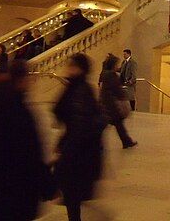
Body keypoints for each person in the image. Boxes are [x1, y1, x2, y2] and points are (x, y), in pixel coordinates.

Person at [0, 59, 54, 220]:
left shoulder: (2, 100)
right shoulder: (18, 109)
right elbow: (30, 152)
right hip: (17, 189)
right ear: (22, 79)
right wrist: (48, 185)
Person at [53, 53, 107, 221]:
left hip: (78, 153)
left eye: (72, 66)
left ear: (80, 69)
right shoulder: (75, 87)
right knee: (72, 195)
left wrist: (66, 152)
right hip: (77, 150)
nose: (68, 69)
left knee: (72, 193)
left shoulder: (80, 91)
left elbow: (79, 125)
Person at [99, 54, 137, 149]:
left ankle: (126, 141)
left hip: (107, 103)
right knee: (113, 124)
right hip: (111, 104)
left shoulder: (105, 74)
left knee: (117, 124)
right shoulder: (111, 75)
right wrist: (123, 96)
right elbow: (116, 89)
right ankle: (126, 141)